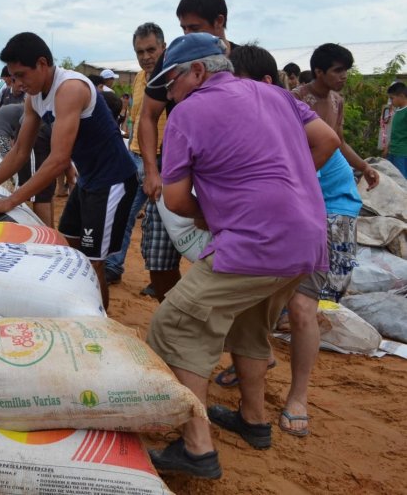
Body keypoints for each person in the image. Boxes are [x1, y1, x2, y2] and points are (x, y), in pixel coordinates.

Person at [144, 33, 339, 479]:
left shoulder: (188, 112)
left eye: (170, 81)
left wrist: (216, 213)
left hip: (255, 242)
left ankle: (196, 449)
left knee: (175, 325)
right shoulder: (276, 94)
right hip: (306, 240)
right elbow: (326, 139)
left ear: (197, 71)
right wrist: (286, 188)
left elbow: (174, 200)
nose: (168, 92)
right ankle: (254, 420)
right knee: (251, 321)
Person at [216, 43, 362, 438]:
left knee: (300, 307)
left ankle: (298, 397)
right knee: (255, 291)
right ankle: (253, 361)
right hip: (295, 207)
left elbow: (329, 143)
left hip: (328, 208)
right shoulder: (248, 115)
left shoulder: (285, 112)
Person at [0, 32, 138, 307]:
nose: (17, 84)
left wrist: (11, 200)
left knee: (93, 264)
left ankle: (100, 324)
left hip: (112, 180)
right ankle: (79, 310)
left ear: (42, 64)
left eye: (21, 75)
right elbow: (19, 151)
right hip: (88, 180)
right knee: (69, 251)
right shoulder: (34, 98)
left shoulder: (70, 89)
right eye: (13, 77)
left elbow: (58, 159)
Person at [137, 0, 235, 302]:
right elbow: (148, 116)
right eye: (182, 29)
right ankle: (173, 313)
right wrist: (152, 171)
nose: (187, 36)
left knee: (230, 264)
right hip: (174, 173)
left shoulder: (244, 61)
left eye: (194, 28)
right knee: (158, 256)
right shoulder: (173, 59)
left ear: (219, 22)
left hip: (225, 178)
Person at [105, 22, 167, 286]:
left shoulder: (174, 77)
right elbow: (137, 118)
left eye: (151, 49)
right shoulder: (141, 79)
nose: (145, 57)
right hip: (137, 157)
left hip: (166, 163)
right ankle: (113, 265)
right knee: (124, 213)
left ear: (163, 47)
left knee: (166, 224)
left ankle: (163, 278)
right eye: (139, 52)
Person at [293, 43, 379, 191]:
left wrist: (365, 167)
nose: (344, 76)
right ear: (319, 72)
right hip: (299, 173)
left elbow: (339, 142)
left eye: (346, 70)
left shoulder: (337, 100)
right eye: (338, 70)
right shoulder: (296, 98)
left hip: (327, 172)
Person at [384, 81, 407, 178]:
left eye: (392, 98)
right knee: (392, 178)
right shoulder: (398, 111)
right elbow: (396, 133)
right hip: (393, 151)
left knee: (401, 180)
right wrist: (387, 148)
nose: (391, 101)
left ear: (401, 96)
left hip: (402, 153)